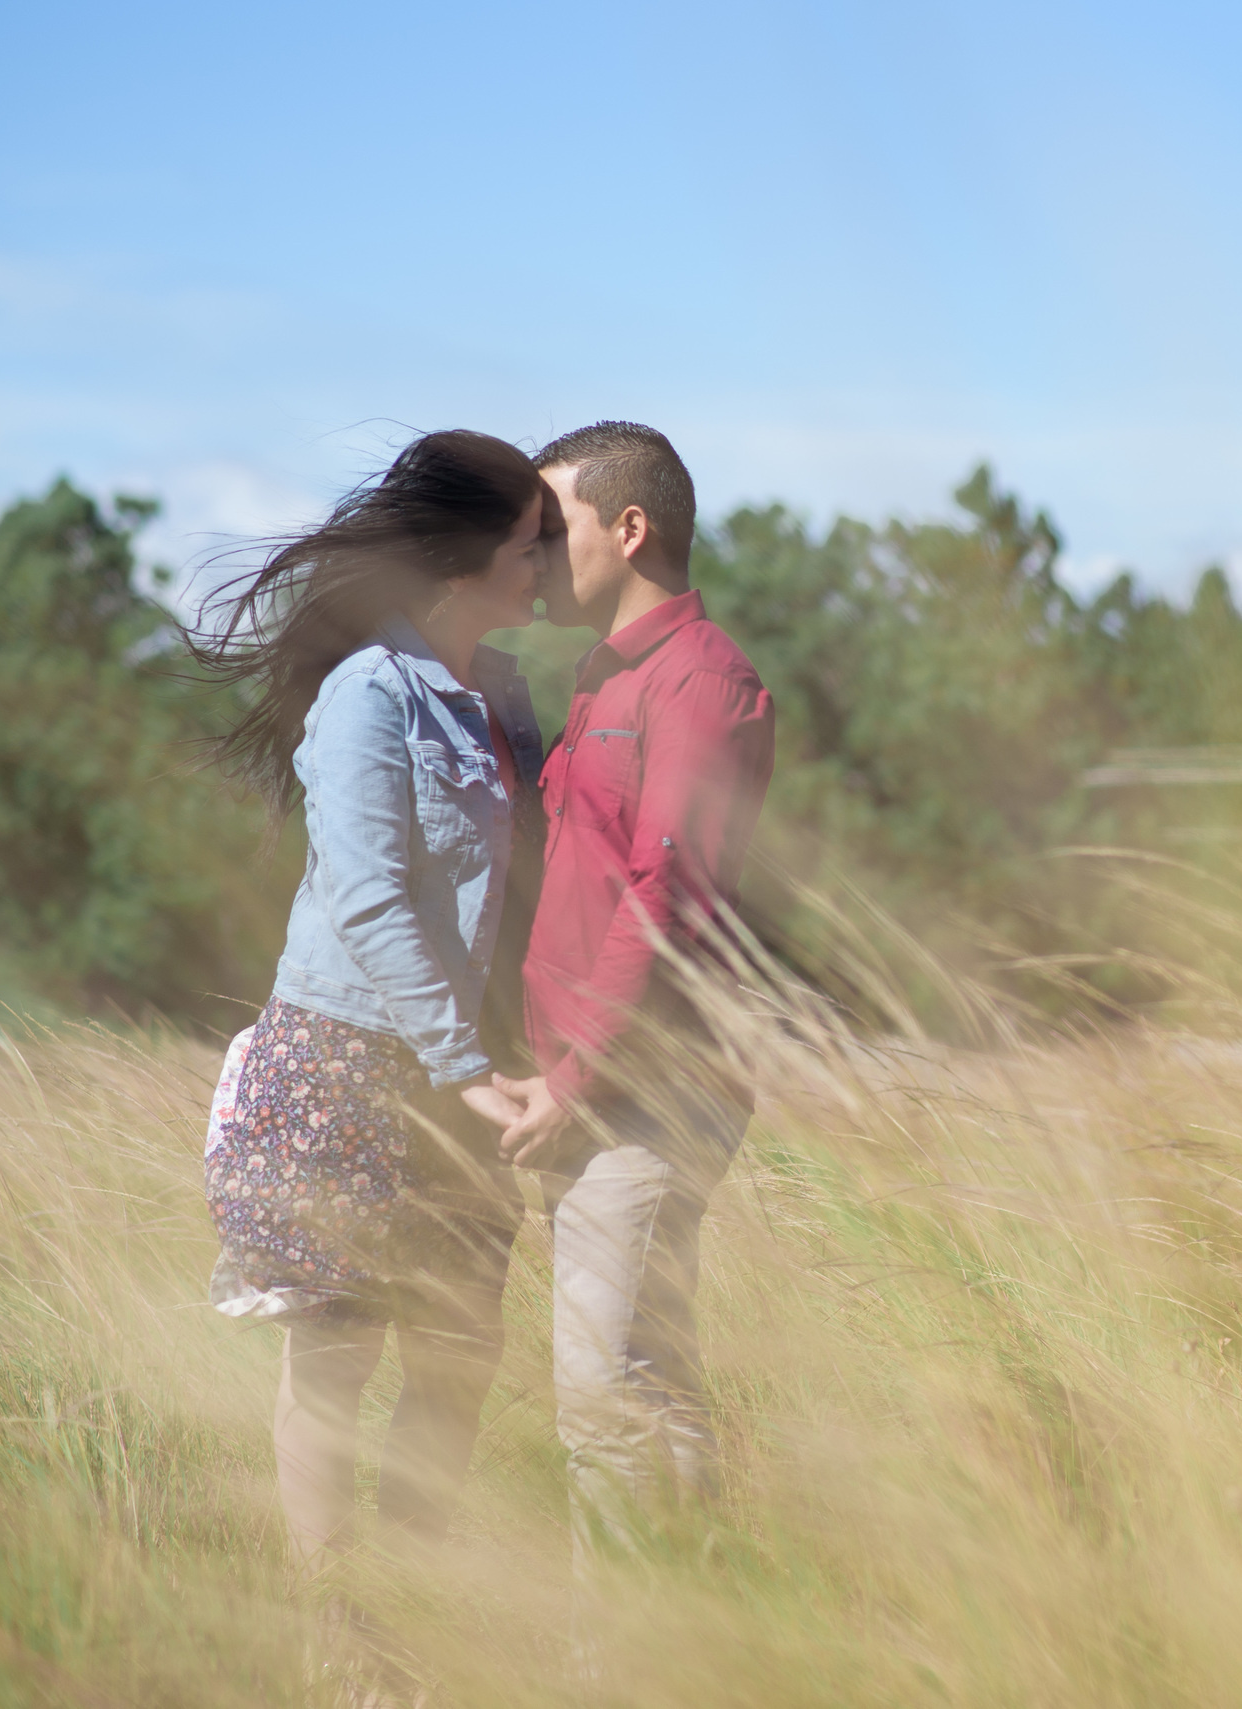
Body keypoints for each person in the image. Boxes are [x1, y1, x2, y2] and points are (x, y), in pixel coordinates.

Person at [189, 428, 551, 1563]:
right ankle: (342, 1641)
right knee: (335, 1363)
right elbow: (369, 898)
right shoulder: (368, 697)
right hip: (352, 1060)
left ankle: (416, 1599)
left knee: (460, 1352)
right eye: (531, 541)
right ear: (466, 555)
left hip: (471, 1070)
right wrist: (461, 1065)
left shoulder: (504, 692)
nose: (545, 562)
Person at [479, 421, 775, 1549]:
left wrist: (576, 1074)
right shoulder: (606, 675)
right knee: (627, 1388)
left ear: (631, 526)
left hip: (644, 1090)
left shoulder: (703, 679)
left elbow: (669, 891)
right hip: (586, 1090)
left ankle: (646, 1655)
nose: (537, 551)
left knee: (614, 1396)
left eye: (555, 525)